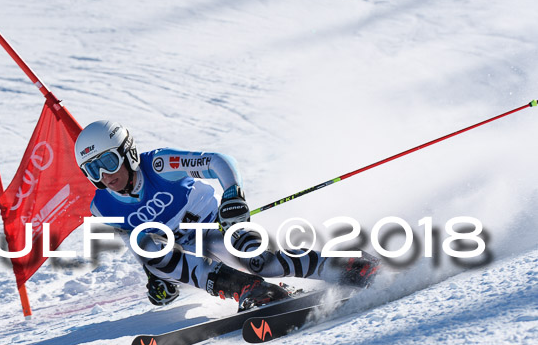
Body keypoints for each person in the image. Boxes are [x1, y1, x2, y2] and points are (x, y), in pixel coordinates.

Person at [74, 120, 379, 310]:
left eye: (109, 162)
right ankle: (248, 289)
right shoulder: (103, 207)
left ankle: (346, 265)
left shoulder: (159, 165)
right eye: (92, 170)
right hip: (186, 259)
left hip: (215, 229)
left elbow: (219, 162)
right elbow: (138, 248)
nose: (104, 175)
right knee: (148, 247)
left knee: (260, 262)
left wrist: (232, 194)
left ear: (127, 152)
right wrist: (155, 278)